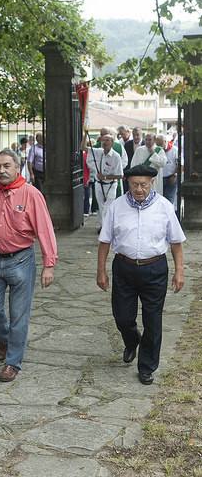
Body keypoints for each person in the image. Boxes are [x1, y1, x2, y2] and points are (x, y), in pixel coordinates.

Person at [0, 149, 57, 382]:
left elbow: (44, 229)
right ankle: (6, 339)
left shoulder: (31, 194)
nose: (2, 171)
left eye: (7, 166)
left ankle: (13, 362)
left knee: (19, 316)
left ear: (17, 167)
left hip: (21, 260)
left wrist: (49, 264)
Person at [97, 164, 185, 385]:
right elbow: (105, 241)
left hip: (154, 268)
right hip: (124, 268)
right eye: (134, 184)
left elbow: (176, 243)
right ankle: (132, 340)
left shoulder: (164, 207)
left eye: (143, 185)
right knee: (123, 317)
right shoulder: (117, 207)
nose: (139, 189)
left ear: (152, 183)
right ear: (128, 183)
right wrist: (101, 271)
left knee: (153, 320)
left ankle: (147, 366)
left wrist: (179, 272)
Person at [84, 134, 123, 231]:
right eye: (103, 140)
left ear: (112, 143)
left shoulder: (116, 156)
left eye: (107, 140)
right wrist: (85, 133)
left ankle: (106, 228)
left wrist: (105, 177)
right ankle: (104, 226)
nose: (105, 142)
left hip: (111, 185)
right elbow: (83, 148)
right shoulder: (98, 152)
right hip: (99, 184)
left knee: (107, 207)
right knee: (101, 207)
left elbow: (120, 175)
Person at [160, 136, 178, 206]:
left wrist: (175, 175)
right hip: (160, 179)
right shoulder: (158, 150)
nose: (159, 147)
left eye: (161, 144)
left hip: (171, 178)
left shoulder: (174, 150)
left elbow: (180, 165)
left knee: (169, 201)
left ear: (165, 142)